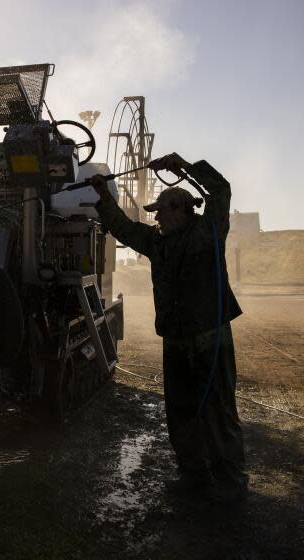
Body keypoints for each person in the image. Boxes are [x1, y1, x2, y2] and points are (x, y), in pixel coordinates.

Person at [91, 153, 248, 504]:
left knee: (217, 410)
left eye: (161, 210)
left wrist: (186, 167)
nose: (156, 216)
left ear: (179, 209)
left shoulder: (209, 232)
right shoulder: (158, 242)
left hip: (210, 338)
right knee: (180, 410)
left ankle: (231, 481)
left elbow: (220, 189)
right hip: (176, 340)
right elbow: (126, 229)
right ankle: (194, 475)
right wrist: (104, 197)